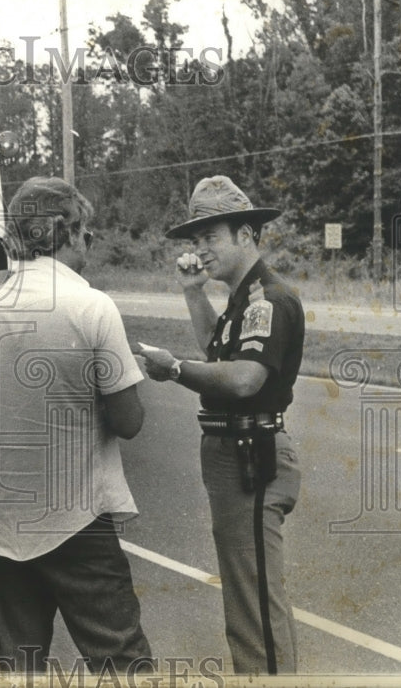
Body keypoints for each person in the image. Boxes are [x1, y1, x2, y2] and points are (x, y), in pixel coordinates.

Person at [0, 176, 154, 675]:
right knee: (122, 659)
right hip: (77, 516)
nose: (89, 244)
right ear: (69, 231)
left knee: (20, 663)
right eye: (87, 234)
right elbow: (129, 422)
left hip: (1, 521)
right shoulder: (91, 307)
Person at [137, 175, 303, 675]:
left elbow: (247, 378)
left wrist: (174, 370)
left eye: (211, 236)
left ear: (246, 235)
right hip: (236, 455)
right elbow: (219, 348)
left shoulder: (268, 299)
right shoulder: (241, 299)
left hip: (252, 454)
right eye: (195, 240)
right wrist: (193, 294)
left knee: (254, 608)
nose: (200, 250)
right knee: (247, 598)